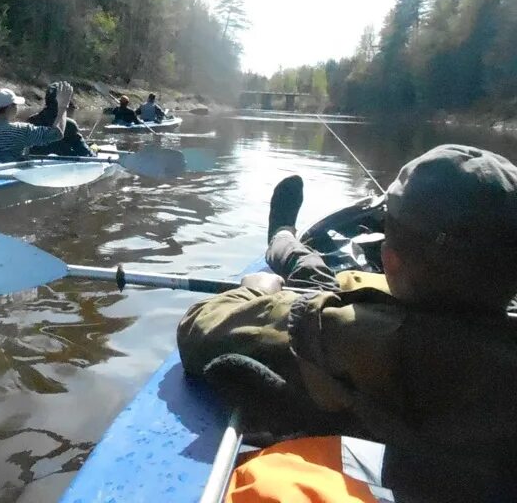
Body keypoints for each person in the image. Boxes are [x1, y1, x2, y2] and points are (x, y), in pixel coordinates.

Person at [177, 145, 517, 502]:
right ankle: (282, 238)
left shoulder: (362, 338)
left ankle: (281, 238)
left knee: (311, 277)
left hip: (345, 326)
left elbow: (200, 326)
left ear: (389, 258)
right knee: (317, 279)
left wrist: (254, 291)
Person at [0, 83, 73, 162]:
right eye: (15, 105)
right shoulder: (22, 130)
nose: (17, 108)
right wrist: (63, 106)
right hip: (6, 174)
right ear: (10, 108)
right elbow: (56, 134)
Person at [27, 83, 94, 158]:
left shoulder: (32, 120)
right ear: (66, 101)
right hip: (64, 166)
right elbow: (85, 153)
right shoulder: (69, 124)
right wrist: (93, 153)